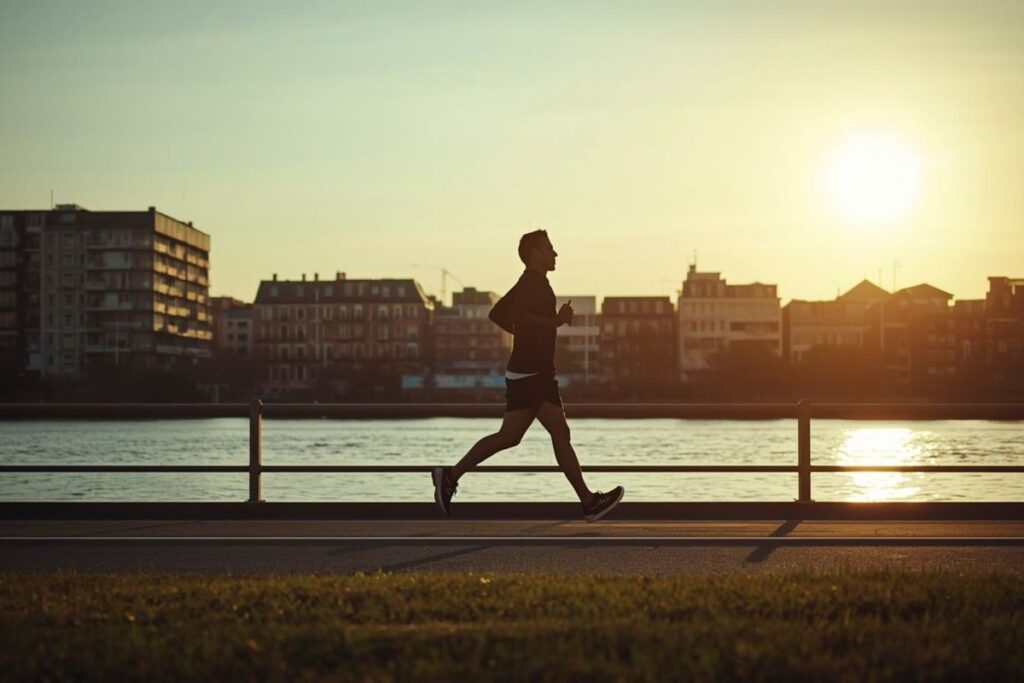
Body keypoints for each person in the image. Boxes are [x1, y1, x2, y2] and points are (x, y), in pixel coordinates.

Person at [432, 230, 624, 522]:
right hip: (533, 374)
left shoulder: (530, 283)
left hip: (531, 372)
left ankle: (450, 475)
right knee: (558, 434)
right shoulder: (533, 284)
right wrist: (555, 321)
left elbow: (498, 315)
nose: (555, 253)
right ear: (534, 253)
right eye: (550, 248)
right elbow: (518, 318)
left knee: (512, 436)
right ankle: (588, 502)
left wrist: (537, 328)